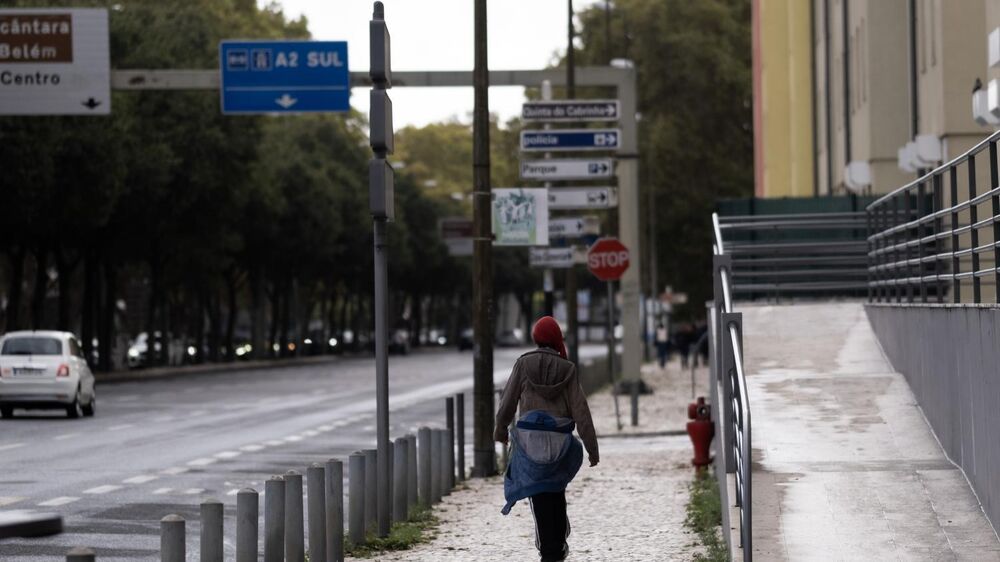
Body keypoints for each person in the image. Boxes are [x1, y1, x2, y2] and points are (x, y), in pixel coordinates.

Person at [495, 316, 599, 562]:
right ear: (556, 338)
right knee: (556, 486)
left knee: (538, 490)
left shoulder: (523, 364)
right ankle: (559, 540)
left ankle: (549, 549)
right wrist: (592, 449)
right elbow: (581, 412)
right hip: (561, 443)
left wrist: (500, 430)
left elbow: (507, 401)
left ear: (535, 337)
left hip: (530, 443)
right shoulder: (568, 369)